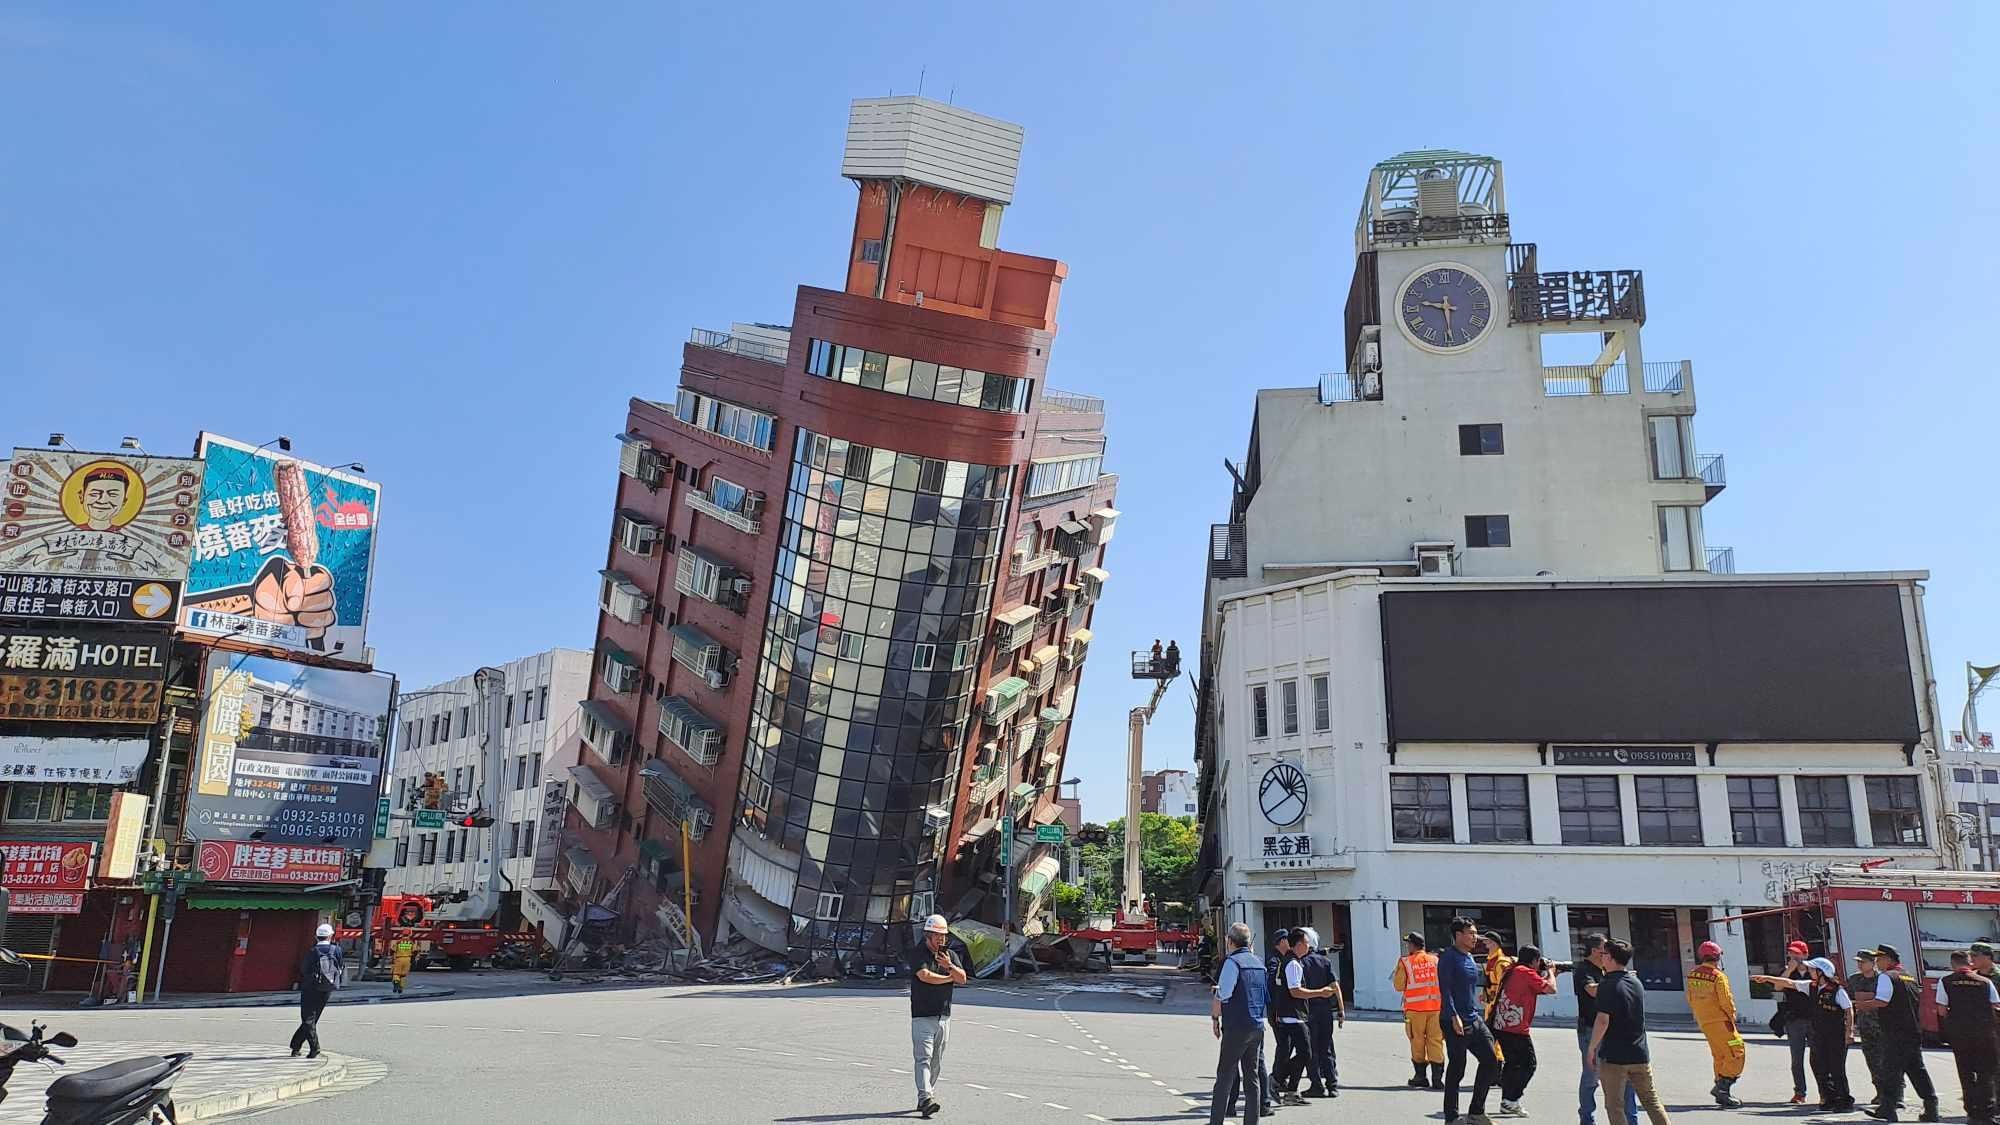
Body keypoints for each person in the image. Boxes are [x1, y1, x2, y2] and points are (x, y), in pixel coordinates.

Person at [1586, 938, 1671, 1125]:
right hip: (1639, 1054)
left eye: (1604, 955)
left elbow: (1602, 1020)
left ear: (1611, 958)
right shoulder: (1635, 982)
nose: (1602, 958)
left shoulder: (1608, 985)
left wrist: (1592, 1048)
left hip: (1615, 1057)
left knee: (1615, 1105)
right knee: (1651, 1101)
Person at [1756, 957, 1857, 1112]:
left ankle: (1844, 1101)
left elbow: (1848, 1010)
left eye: (1812, 969)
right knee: (1818, 1066)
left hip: (1836, 1035)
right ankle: (1827, 1098)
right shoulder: (1811, 986)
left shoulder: (1837, 990)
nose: (1810, 971)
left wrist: (1849, 1032)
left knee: (1836, 1069)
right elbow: (1789, 983)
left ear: (1821, 972)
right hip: (1818, 1034)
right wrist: (1767, 978)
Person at [1856, 944, 1941, 1122]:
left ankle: (1887, 1109)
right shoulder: (1908, 977)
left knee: (1890, 1070)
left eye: (1879, 959)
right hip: (1912, 1031)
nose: (1877, 963)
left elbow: (1883, 1001)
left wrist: (1864, 1005)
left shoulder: (1887, 977)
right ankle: (1931, 1106)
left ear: (1888, 959)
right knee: (1917, 1070)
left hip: (1894, 1032)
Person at [1441, 916, 1502, 1125]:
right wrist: (1453, 1015)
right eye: (1471, 933)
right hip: (1455, 1020)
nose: (1475, 937)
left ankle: (1476, 1112)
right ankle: (1451, 1117)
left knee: (1491, 1061)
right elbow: (1445, 989)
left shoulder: (1469, 957)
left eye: (1476, 933)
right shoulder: (1449, 958)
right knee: (1457, 1067)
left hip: (1474, 1017)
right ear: (1458, 935)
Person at [1210, 921, 1270, 1125]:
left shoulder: (1232, 962)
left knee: (1225, 1075)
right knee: (1252, 1077)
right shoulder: (1259, 963)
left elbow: (1223, 993)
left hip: (1237, 1026)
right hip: (1257, 1024)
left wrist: (1215, 1018)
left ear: (1230, 941)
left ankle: (1216, 1121)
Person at [908, 914, 968, 1118]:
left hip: (944, 1016)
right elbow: (924, 976)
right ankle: (926, 1098)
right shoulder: (919, 953)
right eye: (937, 936)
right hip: (922, 1015)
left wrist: (949, 967)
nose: (941, 940)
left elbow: (963, 979)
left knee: (936, 1060)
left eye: (944, 936)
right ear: (928, 935)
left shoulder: (949, 955)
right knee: (923, 1058)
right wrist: (947, 978)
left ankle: (926, 1095)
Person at [1576, 934, 1639, 1125]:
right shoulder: (1583, 970)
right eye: (1605, 951)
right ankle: (1587, 1119)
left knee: (1626, 1078)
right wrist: (1617, 980)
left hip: (1615, 1030)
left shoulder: (1607, 970)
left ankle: (1631, 1119)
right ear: (1596, 951)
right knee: (1591, 1077)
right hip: (1590, 1028)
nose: (1608, 955)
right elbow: (1592, 990)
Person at [1492, 944, 1557, 1118]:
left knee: (1512, 1064)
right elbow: (1551, 989)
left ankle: (1507, 1101)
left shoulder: (1513, 969)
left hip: (1502, 1025)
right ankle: (1512, 1100)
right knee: (1529, 1064)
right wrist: (1550, 972)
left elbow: (1535, 989)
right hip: (1516, 1027)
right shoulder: (1525, 972)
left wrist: (1545, 974)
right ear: (1535, 961)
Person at [1936, 950, 2000, 1125]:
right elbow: (1996, 1007)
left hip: (1960, 1035)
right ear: (1969, 962)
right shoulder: (1985, 982)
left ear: (1953, 965)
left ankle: (1972, 1113)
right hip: (1985, 1034)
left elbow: (1941, 1010)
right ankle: (1987, 1114)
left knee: (1966, 1074)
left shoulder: (1946, 981)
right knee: (1986, 1073)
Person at [1685, 940, 1745, 1107]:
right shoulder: (1718, 976)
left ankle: (1722, 1091)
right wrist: (1732, 1017)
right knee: (1736, 1050)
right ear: (1717, 957)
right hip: (1721, 1021)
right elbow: (1726, 1001)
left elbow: (1690, 998)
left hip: (1704, 1021)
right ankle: (1723, 1086)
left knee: (1719, 1054)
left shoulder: (1692, 974)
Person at [1293, 927, 1343, 1098]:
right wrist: (1341, 1010)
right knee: (1326, 1048)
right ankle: (1333, 1085)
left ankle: (1316, 1085)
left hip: (1308, 1010)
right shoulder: (1325, 962)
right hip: (1325, 1011)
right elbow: (1335, 987)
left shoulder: (1299, 963)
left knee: (1312, 1050)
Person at [1392, 931, 1445, 1089]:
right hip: (1436, 1008)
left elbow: (1398, 986)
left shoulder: (1405, 962)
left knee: (1417, 1041)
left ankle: (1420, 1076)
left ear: (1412, 945)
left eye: (1408, 943)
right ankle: (1437, 1079)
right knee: (1435, 1041)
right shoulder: (1435, 960)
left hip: (1415, 1010)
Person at [1268, 930, 1314, 1105]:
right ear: (1299, 944)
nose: (1309, 946)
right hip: (1293, 1016)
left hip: (1288, 1015)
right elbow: (1295, 991)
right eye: (1307, 942)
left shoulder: (1286, 960)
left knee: (1295, 1053)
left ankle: (1291, 1091)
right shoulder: (1292, 963)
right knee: (1305, 1053)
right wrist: (1320, 993)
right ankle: (1276, 1079)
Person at [291, 922, 343, 1059]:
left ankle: (314, 1048)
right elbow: (340, 966)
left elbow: (304, 969)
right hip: (327, 987)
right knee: (313, 1019)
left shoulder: (312, 951)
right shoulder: (336, 950)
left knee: (308, 1018)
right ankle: (296, 1045)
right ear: (331, 936)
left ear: (316, 937)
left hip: (310, 987)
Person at [1776, 940, 1818, 1104]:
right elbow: (1778, 987)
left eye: (1797, 953)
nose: (1794, 956)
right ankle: (1800, 1092)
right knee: (1796, 1059)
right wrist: (1789, 970)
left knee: (1818, 1057)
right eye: (1791, 953)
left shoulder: (1814, 971)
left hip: (1814, 1019)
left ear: (1806, 955)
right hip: (1795, 1020)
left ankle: (1825, 1091)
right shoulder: (1788, 972)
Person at [1849, 948, 1886, 1111]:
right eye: (1858, 962)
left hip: (1883, 1026)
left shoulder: (1883, 979)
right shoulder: (1854, 980)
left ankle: (1894, 1093)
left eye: (1863, 962)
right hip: (1865, 1026)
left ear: (1873, 963)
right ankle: (1880, 1091)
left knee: (1887, 1061)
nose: (1859, 965)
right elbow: (1848, 1001)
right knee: (1872, 1060)